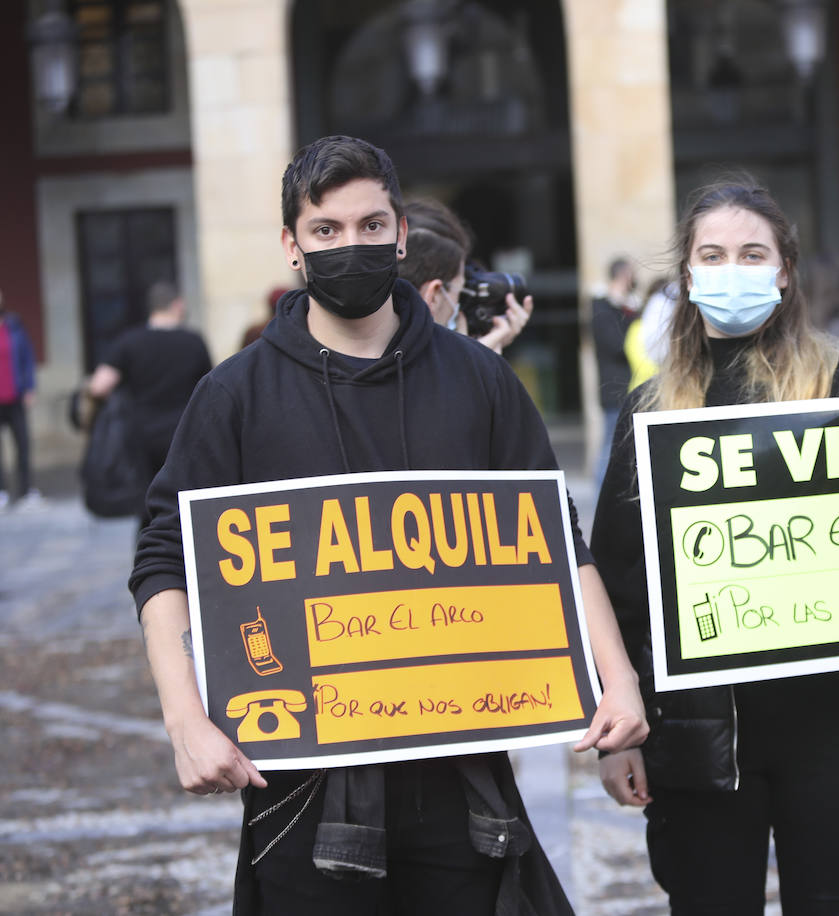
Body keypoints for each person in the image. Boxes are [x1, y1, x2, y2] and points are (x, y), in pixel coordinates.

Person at [128, 135, 647, 914]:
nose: (351, 245)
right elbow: (165, 559)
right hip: (302, 790)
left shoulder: (481, 380)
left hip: (464, 778)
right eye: (326, 231)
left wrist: (620, 680)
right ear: (292, 247)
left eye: (371, 227)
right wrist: (184, 721)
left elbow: (555, 540)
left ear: (401, 234)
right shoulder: (233, 396)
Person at [591, 178, 839, 915]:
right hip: (700, 731)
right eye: (714, 255)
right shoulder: (650, 411)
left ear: (784, 270)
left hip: (837, 723)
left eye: (752, 253)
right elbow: (620, 582)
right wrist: (617, 734)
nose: (733, 270)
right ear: (689, 276)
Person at [87, 281, 212, 527]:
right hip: (183, 434)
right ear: (177, 305)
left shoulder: (130, 341)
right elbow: (210, 388)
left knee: (148, 502)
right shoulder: (193, 341)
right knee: (185, 500)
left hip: (141, 436)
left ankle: (151, 554)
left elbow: (99, 386)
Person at [398, 197, 531, 351]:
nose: (461, 304)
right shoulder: (462, 368)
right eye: (461, 291)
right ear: (433, 295)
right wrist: (475, 364)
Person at [590, 256, 640, 487]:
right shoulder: (602, 307)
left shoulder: (628, 306)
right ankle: (601, 497)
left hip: (631, 385)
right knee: (609, 448)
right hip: (614, 389)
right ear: (622, 276)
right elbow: (618, 344)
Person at [0, 289, 39, 510]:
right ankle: (1, 492)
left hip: (15, 394)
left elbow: (27, 356)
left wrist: (30, 388)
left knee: (23, 445)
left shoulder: (13, 325)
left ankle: (25, 490)